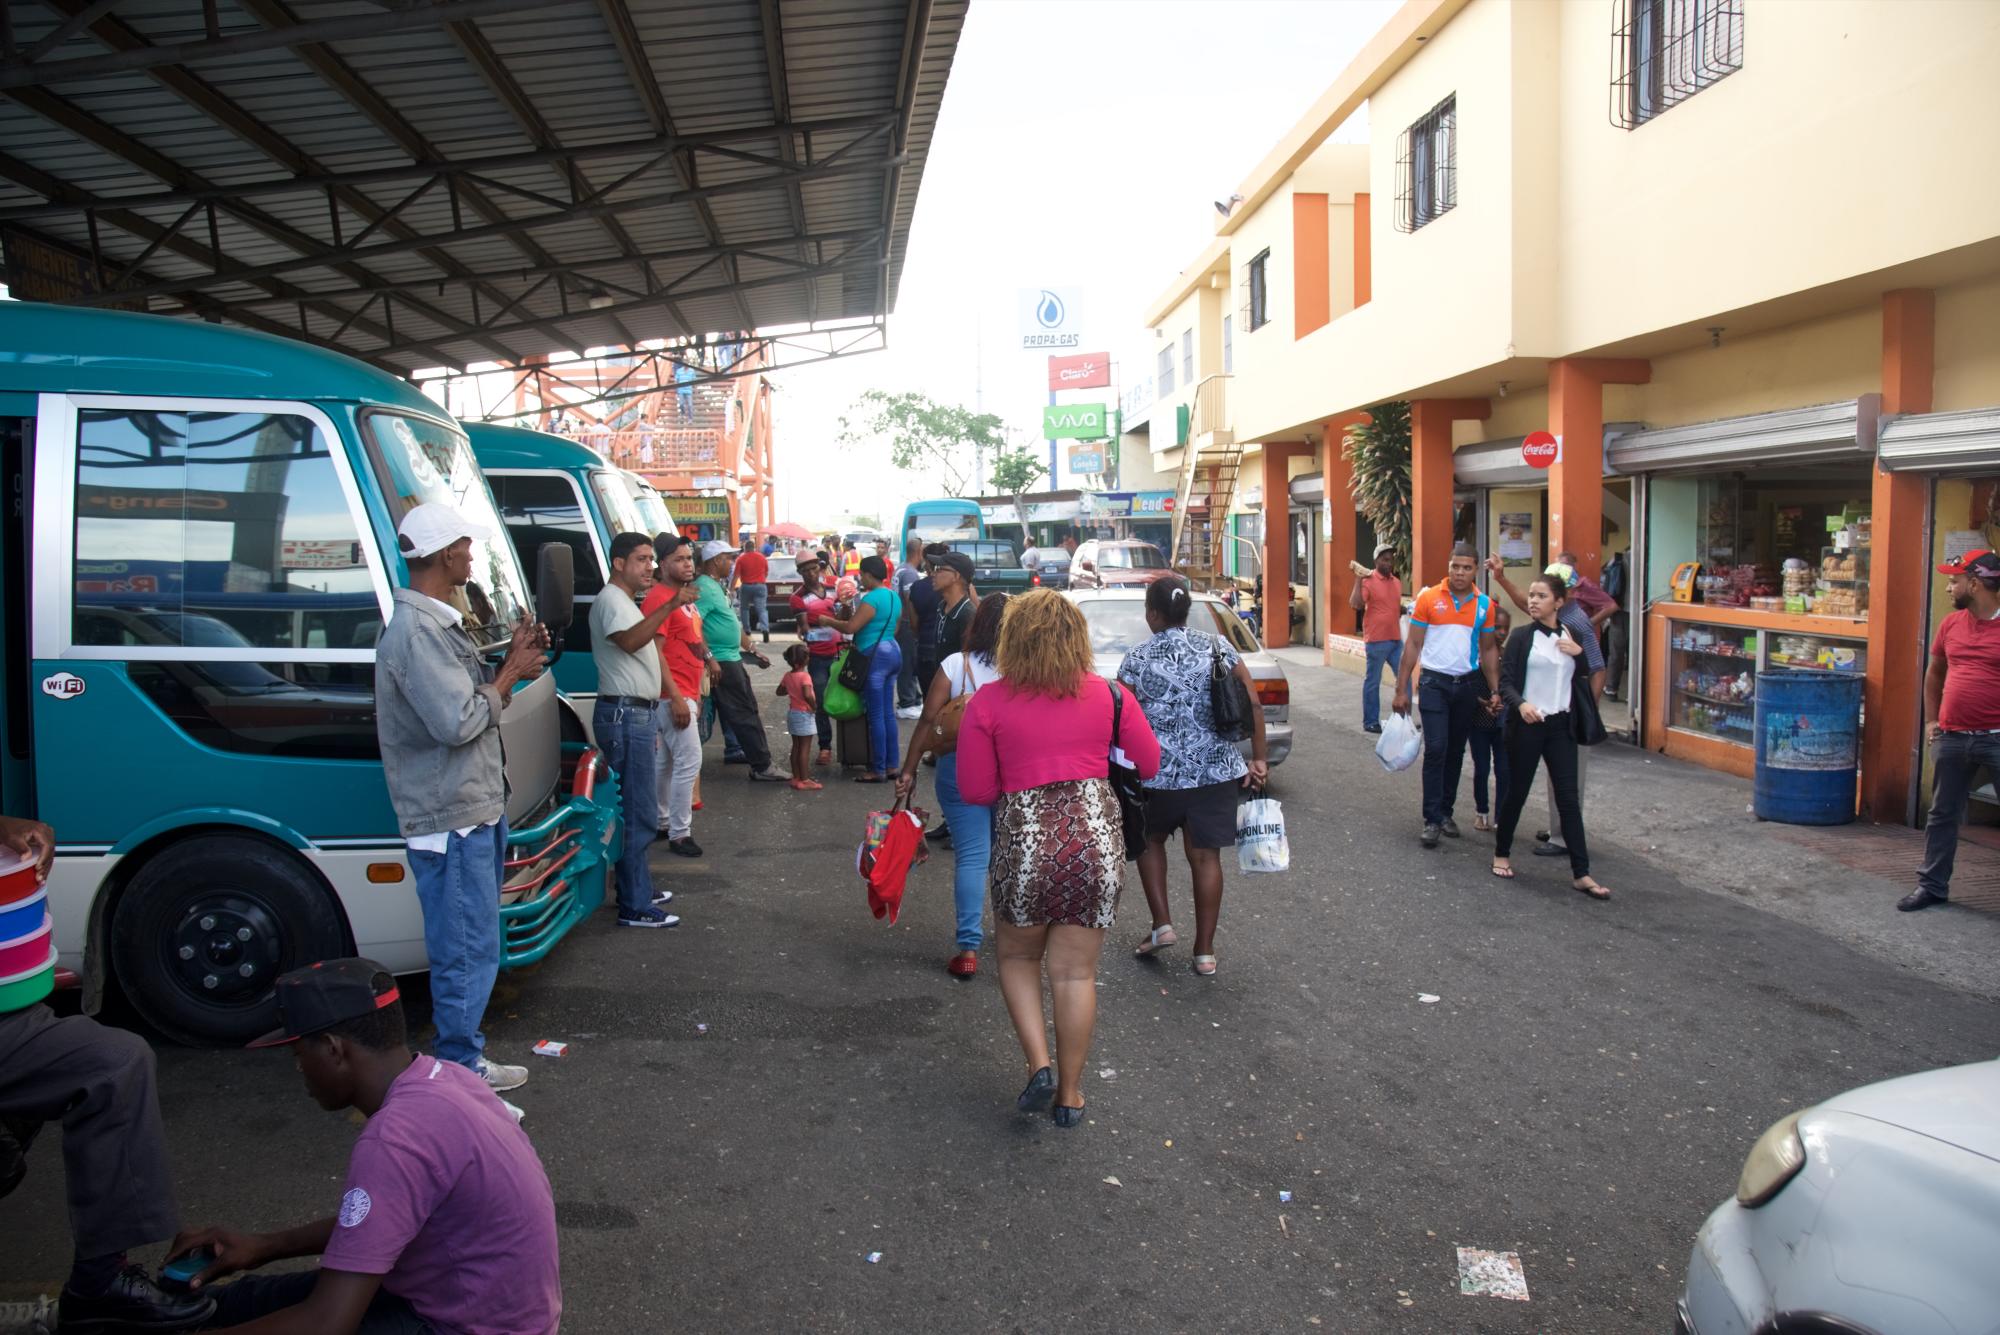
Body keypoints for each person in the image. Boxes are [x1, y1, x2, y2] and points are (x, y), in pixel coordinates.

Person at [169, 959, 560, 1334]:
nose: (299, 1070)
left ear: (334, 1049)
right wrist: (264, 1246)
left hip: (463, 1325)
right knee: (239, 1302)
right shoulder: (450, 1078)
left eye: (298, 1054)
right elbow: (380, 1223)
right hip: (483, 1307)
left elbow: (325, 1324)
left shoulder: (395, 1138)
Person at [0, 813, 213, 1334]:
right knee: (109, 1065)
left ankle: (97, 1281)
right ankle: (98, 1281)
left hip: (15, 1010)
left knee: (105, 1065)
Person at [957, 592, 1160, 1126]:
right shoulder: (1110, 696)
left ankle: (1039, 1065)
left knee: (1019, 959)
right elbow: (1151, 763)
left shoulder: (988, 703)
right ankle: (1070, 1095)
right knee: (1074, 976)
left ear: (1012, 640)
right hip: (1093, 845)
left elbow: (976, 790)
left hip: (1023, 846)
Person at [376, 503, 549, 1094]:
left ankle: (465, 1061)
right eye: (467, 548)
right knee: (464, 952)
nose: (472, 558)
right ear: (447, 553)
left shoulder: (434, 624)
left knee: (475, 948)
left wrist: (511, 662)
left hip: (471, 810)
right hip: (453, 818)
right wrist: (509, 675)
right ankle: (458, 1079)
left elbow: (464, 704)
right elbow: (457, 720)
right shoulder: (417, 631)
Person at [1116, 578, 1268, 978]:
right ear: (1187, 612)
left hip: (1155, 776)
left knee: (1149, 841)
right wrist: (1260, 759)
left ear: (1152, 614)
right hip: (1215, 772)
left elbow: (1121, 720)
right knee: (1205, 857)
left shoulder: (1136, 658)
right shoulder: (1219, 647)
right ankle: (1205, 952)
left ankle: (1162, 924)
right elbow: (1251, 702)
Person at [896, 593, 1008, 977]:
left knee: (973, 856)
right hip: (1011, 772)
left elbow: (927, 720)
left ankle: (968, 947)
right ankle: (1012, 934)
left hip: (959, 769)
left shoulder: (955, 665)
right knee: (1005, 855)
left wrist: (908, 771)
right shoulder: (1024, 670)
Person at [1489, 571, 1609, 899]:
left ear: (1559, 602)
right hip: (1528, 724)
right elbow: (1506, 683)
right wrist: (1522, 704)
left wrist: (1578, 653)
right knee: (1518, 792)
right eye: (1531, 595)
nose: (1533, 600)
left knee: (1568, 798)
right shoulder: (1521, 637)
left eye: (1541, 596)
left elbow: (1587, 671)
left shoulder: (1572, 633)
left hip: (1561, 726)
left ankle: (1581, 873)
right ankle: (1501, 853)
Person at [590, 531, 681, 928]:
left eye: (651, 559)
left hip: (634, 715)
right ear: (619, 563)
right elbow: (629, 642)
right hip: (626, 716)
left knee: (637, 807)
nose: (651, 567)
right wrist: (670, 606)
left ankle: (636, 887)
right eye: (642, 559)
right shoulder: (611, 600)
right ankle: (635, 903)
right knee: (638, 809)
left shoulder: (623, 601)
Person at [1901, 549, 2000, 912]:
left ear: (1974, 584)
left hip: (1996, 737)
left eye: (1954, 580)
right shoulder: (1950, 625)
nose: (1948, 587)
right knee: (1942, 814)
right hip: (1953, 736)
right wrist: (1931, 721)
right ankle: (1932, 886)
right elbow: (1935, 673)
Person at [1392, 543, 1502, 848]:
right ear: (1449, 566)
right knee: (1437, 748)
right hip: (1434, 684)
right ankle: (1431, 819)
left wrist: (1494, 690)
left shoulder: (1484, 605)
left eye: (1466, 568)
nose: (1459, 573)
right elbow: (1412, 645)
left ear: (1476, 569)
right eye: (1455, 566)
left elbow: (1490, 648)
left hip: (1467, 685)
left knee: (1455, 751)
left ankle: (1445, 813)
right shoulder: (1429, 598)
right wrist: (1401, 689)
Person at [695, 540, 786, 782]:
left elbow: (732, 626)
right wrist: (709, 657)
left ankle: (756, 760)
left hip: (730, 658)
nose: (732, 563)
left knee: (746, 710)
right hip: (722, 661)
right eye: (728, 558)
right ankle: (762, 765)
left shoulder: (715, 586)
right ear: (716, 561)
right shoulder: (703, 588)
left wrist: (753, 649)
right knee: (744, 713)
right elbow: (693, 627)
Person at [643, 534, 709, 861]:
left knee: (667, 762)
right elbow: (656, 653)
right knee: (688, 761)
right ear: (663, 564)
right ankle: (680, 833)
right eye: (680, 559)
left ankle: (663, 820)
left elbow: (692, 636)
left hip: (685, 690)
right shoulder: (660, 598)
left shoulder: (682, 597)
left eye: (689, 558)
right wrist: (676, 697)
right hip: (673, 694)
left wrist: (708, 660)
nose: (687, 564)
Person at [818, 555, 904, 783]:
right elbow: (895, 628)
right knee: (887, 714)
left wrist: (828, 622)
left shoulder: (871, 599)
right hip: (893, 651)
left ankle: (878, 769)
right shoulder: (894, 597)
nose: (861, 578)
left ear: (867, 574)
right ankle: (892, 765)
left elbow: (850, 626)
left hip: (873, 657)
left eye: (862, 575)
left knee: (875, 715)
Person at [790, 552, 839, 767]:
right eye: (805, 570)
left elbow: (846, 616)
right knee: (820, 702)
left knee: (849, 699)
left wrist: (844, 611)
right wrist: (831, 629)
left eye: (814, 568)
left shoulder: (834, 588)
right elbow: (806, 631)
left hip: (841, 653)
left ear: (820, 568)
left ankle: (851, 745)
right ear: (799, 572)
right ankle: (825, 747)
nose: (811, 573)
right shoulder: (797, 598)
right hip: (818, 656)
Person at [1467, 603, 1513, 832]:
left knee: (1504, 770)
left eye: (1506, 628)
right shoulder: (1475, 656)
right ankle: (1481, 811)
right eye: (1497, 627)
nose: (1502, 633)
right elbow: (1469, 688)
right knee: (1482, 768)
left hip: (1503, 724)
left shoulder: (1509, 656)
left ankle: (1501, 816)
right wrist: (1483, 703)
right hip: (1479, 722)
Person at [1350, 542, 1404, 734]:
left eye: (1391, 559)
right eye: (1384, 559)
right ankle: (1371, 721)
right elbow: (1355, 604)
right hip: (1376, 641)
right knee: (1373, 682)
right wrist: (1358, 580)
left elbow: (1394, 608)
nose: (1388, 563)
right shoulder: (1368, 580)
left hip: (1396, 640)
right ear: (1376, 561)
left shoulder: (1397, 583)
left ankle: (1403, 722)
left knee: (1405, 680)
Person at [777, 644, 823, 792]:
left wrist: (790, 689)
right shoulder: (805, 676)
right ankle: (805, 780)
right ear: (803, 661)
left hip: (793, 713)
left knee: (796, 747)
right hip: (804, 714)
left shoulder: (788, 676)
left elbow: (780, 691)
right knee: (805, 748)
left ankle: (796, 777)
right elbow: (808, 694)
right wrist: (814, 706)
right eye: (807, 656)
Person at [892, 536, 928, 715]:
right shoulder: (910, 573)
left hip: (901, 622)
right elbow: (909, 599)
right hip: (906, 623)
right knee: (908, 663)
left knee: (909, 662)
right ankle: (907, 701)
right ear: (919, 552)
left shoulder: (901, 569)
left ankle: (912, 698)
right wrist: (917, 623)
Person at [1599, 548, 1630, 701]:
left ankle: (1611, 688)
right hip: (1641, 611)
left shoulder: (1617, 558)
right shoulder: (1650, 558)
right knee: (1639, 653)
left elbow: (1604, 580)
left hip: (1619, 609)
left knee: (1616, 651)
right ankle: (1639, 693)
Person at [733, 537, 771, 646]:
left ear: (745, 548)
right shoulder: (762, 557)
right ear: (754, 548)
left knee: (744, 608)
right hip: (760, 586)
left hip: (746, 586)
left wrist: (731, 589)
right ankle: (765, 630)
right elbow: (766, 572)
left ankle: (747, 630)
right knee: (762, 609)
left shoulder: (741, 559)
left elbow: (736, 576)